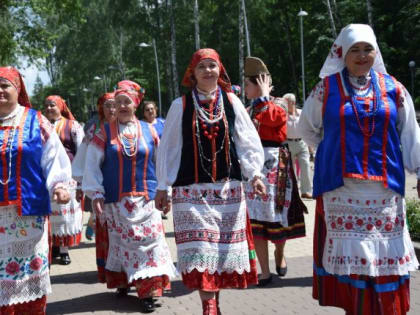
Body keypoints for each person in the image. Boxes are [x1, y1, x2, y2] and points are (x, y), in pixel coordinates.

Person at [298, 24, 420, 314]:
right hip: (342, 191)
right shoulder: (325, 89)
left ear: (375, 52)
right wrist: (332, 150)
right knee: (352, 268)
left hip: (384, 191)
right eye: (355, 49)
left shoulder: (394, 87)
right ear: (342, 53)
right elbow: (306, 128)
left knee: (384, 264)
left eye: (367, 49)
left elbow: (409, 133)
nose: (362, 55)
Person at [155, 48, 266, 315]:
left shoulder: (231, 100)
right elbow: (169, 148)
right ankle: (209, 305)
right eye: (202, 67)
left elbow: (246, 139)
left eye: (212, 66)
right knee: (200, 250)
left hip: (227, 191)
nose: (208, 71)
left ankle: (214, 301)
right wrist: (162, 185)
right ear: (192, 74)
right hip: (190, 193)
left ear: (220, 71)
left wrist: (255, 175)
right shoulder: (179, 105)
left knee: (221, 254)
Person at [82, 80, 176, 313]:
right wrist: (95, 194)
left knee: (151, 244)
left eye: (127, 102)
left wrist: (166, 190)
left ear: (136, 104)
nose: (122, 106)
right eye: (118, 102)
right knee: (125, 244)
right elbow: (92, 165)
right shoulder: (104, 133)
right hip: (117, 200)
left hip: (148, 198)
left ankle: (149, 291)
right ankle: (123, 280)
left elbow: (161, 162)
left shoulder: (151, 130)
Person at [0, 67, 71, 314]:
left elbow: (53, 157)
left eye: (4, 85)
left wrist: (59, 184)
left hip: (28, 215)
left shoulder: (35, 119)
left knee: (28, 273)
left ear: (17, 89)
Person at [243, 57, 307, 286]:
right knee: (255, 220)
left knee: (278, 215)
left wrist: (263, 96)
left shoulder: (278, 104)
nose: (246, 88)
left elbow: (274, 119)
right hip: (254, 168)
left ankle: (279, 252)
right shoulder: (247, 109)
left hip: (276, 166)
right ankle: (264, 271)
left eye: (248, 84)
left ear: (259, 84)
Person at [72, 92, 116, 280]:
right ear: (101, 108)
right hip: (101, 185)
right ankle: (110, 270)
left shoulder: (132, 126)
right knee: (106, 226)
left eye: (115, 104)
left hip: (127, 185)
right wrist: (81, 185)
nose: (112, 109)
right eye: (107, 105)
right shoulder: (93, 130)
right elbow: (83, 159)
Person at [44, 95, 84, 265]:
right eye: (46, 106)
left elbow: (81, 149)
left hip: (68, 177)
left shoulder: (72, 125)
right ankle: (53, 248)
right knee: (51, 215)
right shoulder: (42, 125)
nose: (49, 108)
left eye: (52, 105)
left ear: (60, 106)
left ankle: (64, 251)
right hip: (49, 177)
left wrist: (80, 176)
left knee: (65, 216)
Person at [284, 93, 312, 199]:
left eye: (287, 102)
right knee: (291, 170)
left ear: (293, 103)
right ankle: (293, 192)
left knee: (305, 165)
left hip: (302, 143)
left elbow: (307, 129)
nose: (285, 104)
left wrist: (310, 146)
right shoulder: (283, 114)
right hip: (288, 143)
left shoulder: (301, 113)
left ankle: (306, 191)